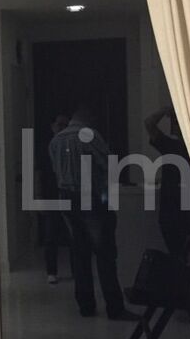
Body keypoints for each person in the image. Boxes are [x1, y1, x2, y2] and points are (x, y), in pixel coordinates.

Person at [48, 105, 140, 320]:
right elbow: (107, 165)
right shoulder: (89, 135)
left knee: (79, 253)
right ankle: (114, 307)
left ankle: (86, 305)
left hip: (67, 198)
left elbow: (56, 170)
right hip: (90, 198)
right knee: (105, 254)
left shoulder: (56, 141)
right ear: (88, 118)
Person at [144, 106, 190, 268]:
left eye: (176, 122)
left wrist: (165, 110)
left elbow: (149, 123)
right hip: (188, 215)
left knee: (185, 261)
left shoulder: (173, 147)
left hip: (181, 215)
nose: (173, 126)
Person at [40, 114, 69, 284]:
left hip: (68, 195)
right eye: (60, 125)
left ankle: (76, 271)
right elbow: (40, 174)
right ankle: (51, 271)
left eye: (65, 125)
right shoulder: (46, 148)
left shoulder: (70, 146)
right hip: (51, 196)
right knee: (50, 236)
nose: (62, 128)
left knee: (74, 235)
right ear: (52, 126)